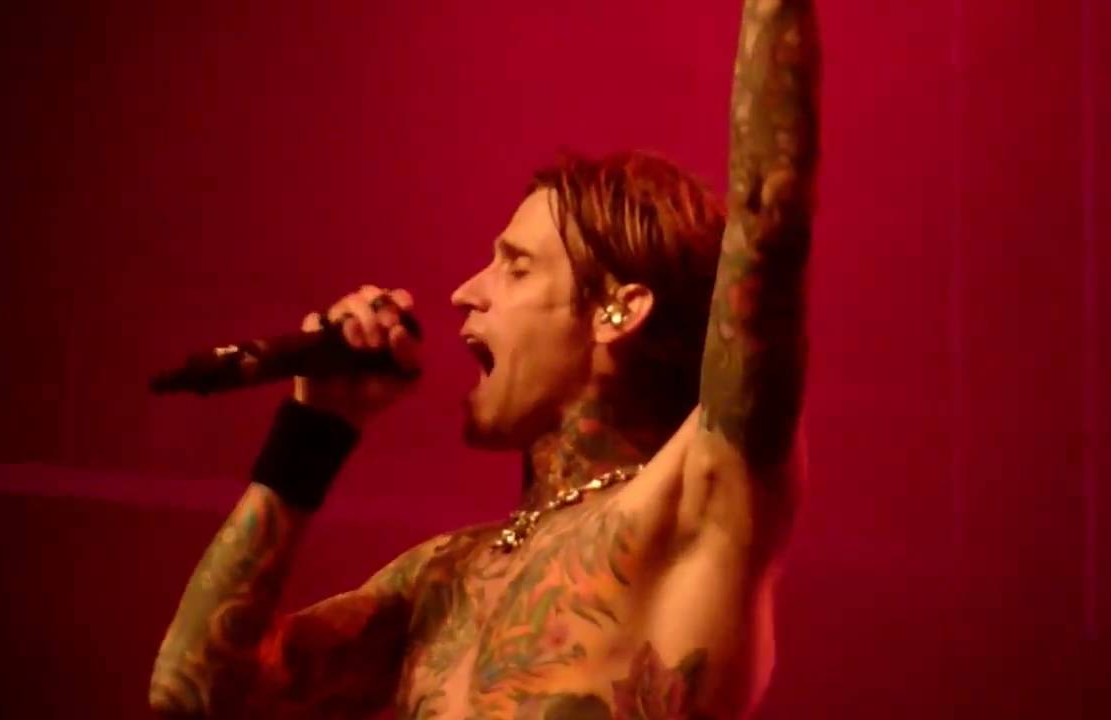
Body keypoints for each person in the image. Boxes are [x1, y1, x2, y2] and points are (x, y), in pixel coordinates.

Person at [149, 1, 819, 717]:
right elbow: (190, 693)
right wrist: (315, 430)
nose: (465, 292)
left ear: (616, 310)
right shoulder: (437, 581)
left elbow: (767, 212)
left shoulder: (697, 498)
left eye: (516, 267)